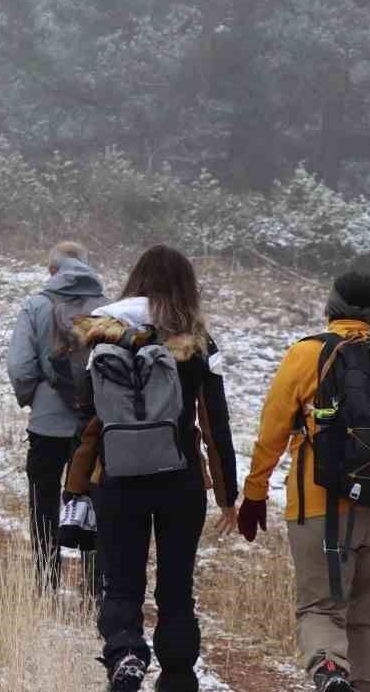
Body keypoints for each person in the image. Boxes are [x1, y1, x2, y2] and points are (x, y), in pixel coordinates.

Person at [236, 272, 370, 692]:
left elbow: (272, 432)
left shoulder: (305, 354)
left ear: (330, 306)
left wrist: (254, 494)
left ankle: (329, 672)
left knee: (321, 608)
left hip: (320, 507)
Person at [73, 245, 238, 692]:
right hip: (180, 480)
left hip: (118, 477)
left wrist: (77, 485)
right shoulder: (197, 339)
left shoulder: (103, 333)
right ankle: (179, 675)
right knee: (176, 585)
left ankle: (125, 652)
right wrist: (228, 495)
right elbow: (214, 423)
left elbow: (87, 415)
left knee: (121, 581)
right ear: (186, 286)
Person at [7, 240, 107, 594]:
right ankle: (96, 587)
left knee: (43, 500)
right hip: (96, 426)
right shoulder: (109, 309)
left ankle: (46, 579)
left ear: (53, 270)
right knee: (95, 504)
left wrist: (33, 397)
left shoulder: (37, 305)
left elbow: (19, 365)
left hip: (48, 423)